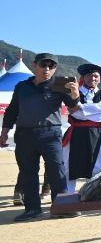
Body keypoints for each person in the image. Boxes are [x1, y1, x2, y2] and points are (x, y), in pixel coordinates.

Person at [0, 53, 79, 221]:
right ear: (34, 65)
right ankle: (32, 209)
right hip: (24, 135)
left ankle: (62, 207)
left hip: (50, 134)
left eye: (51, 66)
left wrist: (75, 93)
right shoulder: (22, 86)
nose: (47, 69)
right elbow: (12, 110)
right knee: (28, 173)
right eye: (44, 65)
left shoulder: (60, 84)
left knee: (56, 170)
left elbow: (73, 107)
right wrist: (4, 132)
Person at [64, 63, 101, 192]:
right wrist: (97, 114)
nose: (92, 78)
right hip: (76, 133)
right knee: (69, 165)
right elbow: (73, 113)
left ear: (100, 79)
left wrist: (79, 106)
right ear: (83, 77)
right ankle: (68, 195)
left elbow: (100, 108)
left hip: (97, 133)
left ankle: (94, 193)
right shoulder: (72, 92)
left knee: (99, 164)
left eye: (95, 76)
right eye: (89, 75)